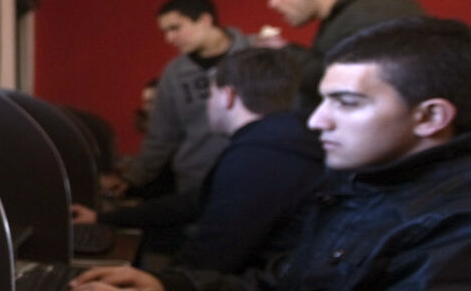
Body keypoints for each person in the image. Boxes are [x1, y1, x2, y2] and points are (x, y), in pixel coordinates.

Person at [64, 17, 471, 291]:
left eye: (345, 103)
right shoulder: (367, 184)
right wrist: (171, 287)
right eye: (322, 101)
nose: (316, 121)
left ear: (430, 117)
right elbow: (291, 282)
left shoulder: (456, 228)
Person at [73, 48, 323, 272]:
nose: (208, 104)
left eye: (211, 95)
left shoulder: (259, 157)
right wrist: (102, 219)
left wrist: (156, 288)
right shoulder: (277, 140)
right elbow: (194, 202)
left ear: (228, 96)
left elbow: (211, 258)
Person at [102, 0, 250, 204]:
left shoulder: (257, 54)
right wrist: (132, 178)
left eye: (175, 28)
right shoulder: (174, 73)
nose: (169, 38)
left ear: (205, 20)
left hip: (253, 174)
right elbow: (161, 136)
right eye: (165, 31)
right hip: (196, 183)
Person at [263, 0, 424, 108]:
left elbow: (350, 85)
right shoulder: (351, 12)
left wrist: (285, 53)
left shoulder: (372, 12)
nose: (273, 2)